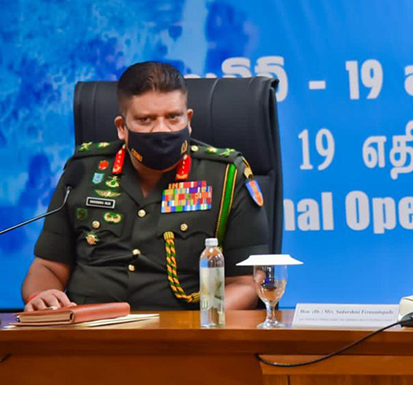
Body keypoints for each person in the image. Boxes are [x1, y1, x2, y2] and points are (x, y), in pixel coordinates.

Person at [22, 61, 269, 311]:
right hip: (89, 328)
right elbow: (48, 267)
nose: (161, 130)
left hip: (184, 329)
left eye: (173, 118)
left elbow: (246, 283)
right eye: (145, 119)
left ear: (188, 120)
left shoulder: (226, 176)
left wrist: (198, 324)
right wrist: (41, 297)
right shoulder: (83, 171)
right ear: (122, 127)